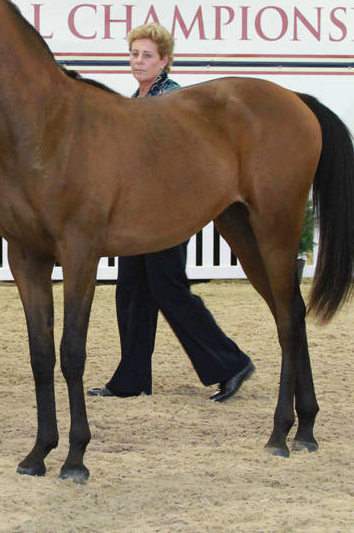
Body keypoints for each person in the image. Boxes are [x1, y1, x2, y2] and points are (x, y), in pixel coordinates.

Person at [88, 23, 255, 401]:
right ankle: (130, 380)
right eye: (134, 54)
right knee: (131, 291)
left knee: (167, 288)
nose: (138, 61)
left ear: (164, 61)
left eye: (147, 55)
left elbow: (183, 160)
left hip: (167, 213)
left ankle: (230, 363)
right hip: (135, 213)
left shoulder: (175, 99)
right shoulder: (133, 100)